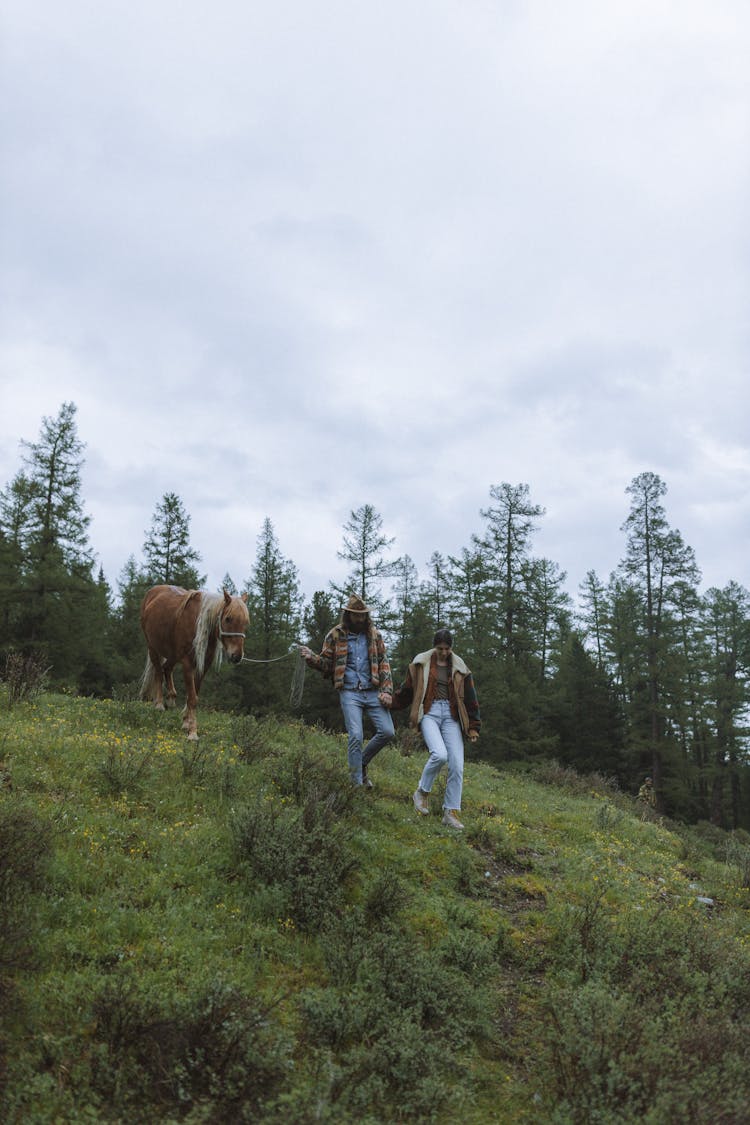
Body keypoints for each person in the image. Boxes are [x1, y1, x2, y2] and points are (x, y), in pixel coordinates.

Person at [298, 594, 395, 787]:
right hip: (349, 691)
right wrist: (311, 657)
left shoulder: (375, 635)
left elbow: (384, 663)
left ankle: (361, 763)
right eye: (355, 615)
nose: (359, 619)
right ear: (348, 615)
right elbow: (326, 664)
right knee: (356, 736)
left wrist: (387, 691)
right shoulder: (335, 635)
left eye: (362, 615)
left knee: (387, 732)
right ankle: (356, 785)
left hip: (373, 690)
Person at [392, 628, 481, 830]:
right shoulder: (421, 662)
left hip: (451, 715)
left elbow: (470, 697)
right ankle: (422, 793)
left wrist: (473, 726)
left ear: (451, 648)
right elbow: (407, 690)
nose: (442, 652)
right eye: (439, 648)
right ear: (434, 646)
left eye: (446, 648)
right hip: (429, 712)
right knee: (439, 755)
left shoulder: (460, 667)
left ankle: (450, 812)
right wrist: (392, 702)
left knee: (457, 764)